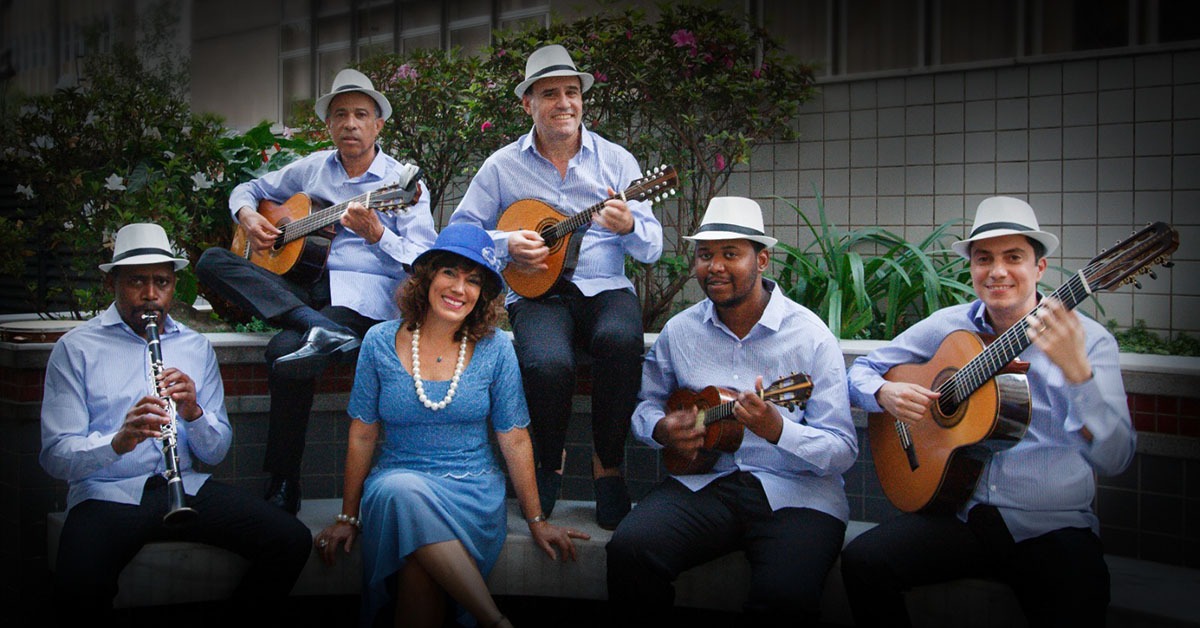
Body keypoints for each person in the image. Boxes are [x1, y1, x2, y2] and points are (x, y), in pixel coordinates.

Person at [842, 196, 1137, 627]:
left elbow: (1116, 458)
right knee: (863, 563)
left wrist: (1079, 376)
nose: (997, 271)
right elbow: (861, 371)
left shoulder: (1089, 342)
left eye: (1013, 257)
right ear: (972, 269)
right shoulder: (949, 325)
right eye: (984, 259)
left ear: (1039, 268)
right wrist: (883, 393)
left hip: (1050, 529)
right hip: (964, 516)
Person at [314, 223, 589, 628]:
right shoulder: (378, 341)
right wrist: (347, 516)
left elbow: (513, 438)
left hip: (470, 491)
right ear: (426, 278)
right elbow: (362, 432)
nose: (460, 288)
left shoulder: (495, 349)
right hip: (396, 480)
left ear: (482, 294)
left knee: (418, 565)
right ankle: (494, 620)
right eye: (450, 273)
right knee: (401, 493)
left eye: (473, 280)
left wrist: (536, 520)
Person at [40, 223, 312, 625]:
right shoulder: (76, 349)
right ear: (112, 283)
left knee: (290, 539)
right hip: (107, 496)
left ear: (173, 285)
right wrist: (118, 441)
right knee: (77, 586)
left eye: (162, 282)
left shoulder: (194, 346)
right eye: (137, 281)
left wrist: (193, 414)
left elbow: (216, 452)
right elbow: (55, 456)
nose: (151, 295)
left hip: (186, 486)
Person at [605, 197, 858, 625]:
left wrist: (779, 430)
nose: (715, 266)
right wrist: (662, 429)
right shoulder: (680, 332)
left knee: (784, 597)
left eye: (730, 254)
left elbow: (844, 451)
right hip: (708, 482)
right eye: (706, 255)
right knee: (629, 550)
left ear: (762, 260)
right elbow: (645, 405)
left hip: (798, 494)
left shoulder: (811, 337)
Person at [196, 67, 437, 514]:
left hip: (362, 299)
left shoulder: (400, 186)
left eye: (361, 114)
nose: (350, 123)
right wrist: (248, 215)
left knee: (283, 358)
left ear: (378, 124)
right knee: (211, 261)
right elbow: (248, 188)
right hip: (304, 292)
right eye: (340, 114)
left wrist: (378, 236)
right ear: (328, 124)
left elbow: (425, 261)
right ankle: (315, 327)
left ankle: (282, 479)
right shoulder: (312, 168)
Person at [448, 44, 663, 530]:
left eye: (572, 92)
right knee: (546, 363)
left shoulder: (616, 161)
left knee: (620, 341)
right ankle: (550, 461)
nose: (564, 102)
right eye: (550, 94)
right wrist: (507, 246)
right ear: (529, 104)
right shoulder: (502, 166)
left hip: (605, 287)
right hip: (538, 293)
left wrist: (630, 224)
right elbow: (460, 234)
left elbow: (652, 250)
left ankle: (608, 465)